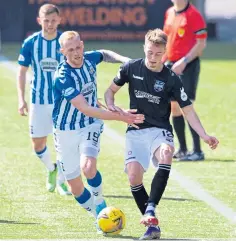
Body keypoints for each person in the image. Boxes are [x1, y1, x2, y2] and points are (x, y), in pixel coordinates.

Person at [104, 28, 218, 240]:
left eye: (158, 54)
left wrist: (203, 135)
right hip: (136, 131)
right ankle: (152, 226)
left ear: (165, 51)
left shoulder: (171, 79)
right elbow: (109, 91)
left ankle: (150, 209)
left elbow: (188, 110)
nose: (154, 58)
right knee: (133, 176)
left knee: (166, 153)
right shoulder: (130, 68)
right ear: (144, 48)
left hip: (160, 130)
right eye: (150, 53)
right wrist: (113, 106)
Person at [53, 31, 144, 230]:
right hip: (65, 130)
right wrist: (122, 117)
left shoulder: (88, 59)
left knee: (88, 167)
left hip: (90, 124)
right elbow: (84, 106)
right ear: (62, 52)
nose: (76, 53)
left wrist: (127, 61)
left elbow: (104, 53)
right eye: (70, 50)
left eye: (78, 47)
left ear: (82, 45)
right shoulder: (62, 77)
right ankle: (97, 214)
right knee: (75, 187)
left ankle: (100, 202)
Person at [17, 4, 70, 195]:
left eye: (53, 20)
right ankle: (51, 169)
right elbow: (22, 72)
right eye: (46, 21)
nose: (50, 24)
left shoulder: (65, 42)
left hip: (61, 102)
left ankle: (63, 182)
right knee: (37, 144)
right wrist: (21, 99)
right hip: (38, 100)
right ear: (39, 21)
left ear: (59, 20)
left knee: (64, 143)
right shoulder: (31, 42)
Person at [163, 0, 208, 161]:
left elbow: (201, 44)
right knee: (173, 106)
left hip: (188, 65)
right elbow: (167, 40)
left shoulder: (194, 15)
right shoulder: (169, 12)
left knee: (186, 106)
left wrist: (184, 61)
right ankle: (182, 149)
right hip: (171, 64)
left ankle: (197, 151)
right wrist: (162, 61)